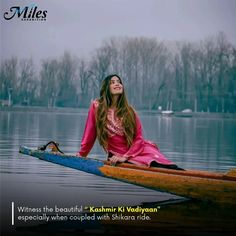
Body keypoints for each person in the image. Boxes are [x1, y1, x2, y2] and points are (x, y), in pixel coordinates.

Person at [77, 74, 181, 169]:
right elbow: (89, 134)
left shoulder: (129, 111)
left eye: (119, 81)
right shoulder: (97, 107)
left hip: (138, 151)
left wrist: (126, 157)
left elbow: (138, 138)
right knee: (157, 166)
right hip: (117, 155)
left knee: (169, 166)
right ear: (106, 88)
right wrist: (81, 155)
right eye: (112, 82)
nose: (117, 84)